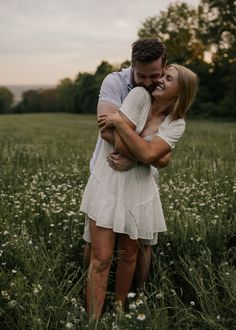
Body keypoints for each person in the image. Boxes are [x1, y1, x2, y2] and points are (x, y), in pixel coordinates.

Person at [80, 63, 198, 319]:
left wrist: (124, 130)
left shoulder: (176, 124)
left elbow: (149, 152)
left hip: (139, 190)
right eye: (162, 76)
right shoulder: (139, 96)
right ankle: (93, 320)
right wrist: (146, 153)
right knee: (100, 257)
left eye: (168, 79)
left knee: (129, 256)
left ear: (181, 92)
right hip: (110, 183)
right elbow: (109, 133)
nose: (159, 81)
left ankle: (120, 310)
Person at [83, 39, 169, 292]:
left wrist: (137, 157)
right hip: (107, 174)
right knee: (95, 246)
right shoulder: (114, 82)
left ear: (164, 66)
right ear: (132, 64)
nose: (146, 82)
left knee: (141, 244)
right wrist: (147, 151)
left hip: (142, 177)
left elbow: (165, 154)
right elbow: (105, 131)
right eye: (140, 75)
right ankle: (84, 294)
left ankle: (138, 296)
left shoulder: (169, 87)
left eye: (154, 75)